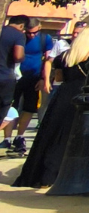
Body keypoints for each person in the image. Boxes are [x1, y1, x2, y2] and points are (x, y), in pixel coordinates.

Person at [13, 19, 89, 188]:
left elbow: (58, 74)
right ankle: (53, 175)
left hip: (63, 95)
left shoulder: (67, 55)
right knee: (67, 138)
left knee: (50, 135)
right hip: (82, 96)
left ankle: (43, 175)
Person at [11, 16, 55, 156]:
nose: (31, 35)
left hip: (34, 78)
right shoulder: (19, 37)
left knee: (29, 108)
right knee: (12, 107)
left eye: (34, 32)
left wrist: (44, 78)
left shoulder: (45, 39)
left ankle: (20, 136)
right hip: (16, 77)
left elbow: (48, 59)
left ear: (39, 28)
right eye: (29, 32)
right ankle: (7, 137)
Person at [0, 14, 26, 150]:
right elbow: (18, 56)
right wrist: (23, 57)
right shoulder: (18, 35)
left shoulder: (1, 30)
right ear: (22, 26)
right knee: (4, 108)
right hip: (5, 78)